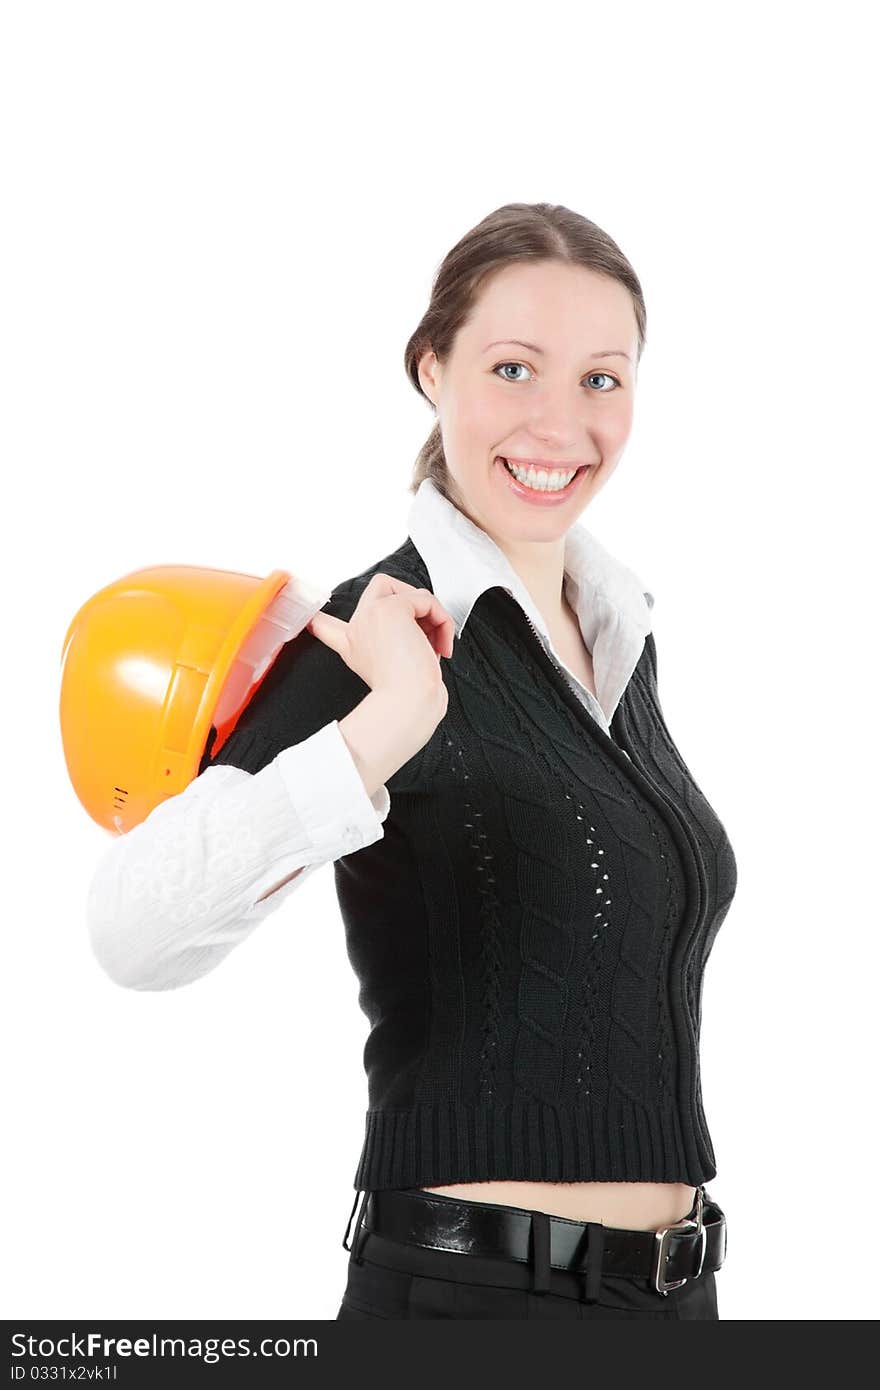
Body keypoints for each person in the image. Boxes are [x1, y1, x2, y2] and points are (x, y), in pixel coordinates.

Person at [87, 202, 735, 1320]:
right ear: (431, 368)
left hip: (670, 1302)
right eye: (513, 367)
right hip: (474, 1300)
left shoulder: (619, 636)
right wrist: (379, 729)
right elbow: (129, 932)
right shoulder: (369, 636)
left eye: (601, 380)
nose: (559, 424)